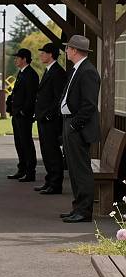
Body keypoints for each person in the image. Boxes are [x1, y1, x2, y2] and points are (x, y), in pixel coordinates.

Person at [59, 35, 100, 223]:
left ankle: (84, 211)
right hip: (70, 124)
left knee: (81, 170)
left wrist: (74, 125)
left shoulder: (88, 71)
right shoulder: (77, 69)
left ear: (74, 50)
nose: (66, 51)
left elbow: (89, 104)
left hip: (78, 127)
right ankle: (78, 208)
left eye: (67, 48)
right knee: (74, 169)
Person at [34, 43, 67, 195]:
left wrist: (49, 115)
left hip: (50, 121)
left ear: (51, 55)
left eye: (43, 53)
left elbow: (59, 97)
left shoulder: (58, 72)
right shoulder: (49, 71)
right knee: (46, 151)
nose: (41, 55)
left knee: (52, 152)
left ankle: (55, 184)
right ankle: (49, 181)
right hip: (43, 119)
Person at [6, 48, 39, 182]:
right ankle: (22, 169)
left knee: (26, 143)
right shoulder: (21, 73)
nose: (15, 60)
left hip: (24, 115)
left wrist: (23, 111)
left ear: (24, 59)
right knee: (19, 143)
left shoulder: (31, 74)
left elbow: (31, 97)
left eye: (17, 58)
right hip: (17, 115)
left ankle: (30, 172)